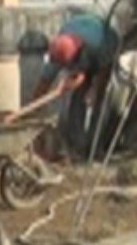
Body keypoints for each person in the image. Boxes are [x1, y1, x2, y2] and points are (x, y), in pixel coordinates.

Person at [31, 13, 120, 156]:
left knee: (101, 103)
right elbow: (44, 83)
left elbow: (105, 72)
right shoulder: (59, 49)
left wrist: (95, 91)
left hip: (105, 49)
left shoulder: (99, 46)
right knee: (77, 99)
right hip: (81, 39)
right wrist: (33, 115)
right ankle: (76, 146)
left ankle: (95, 147)